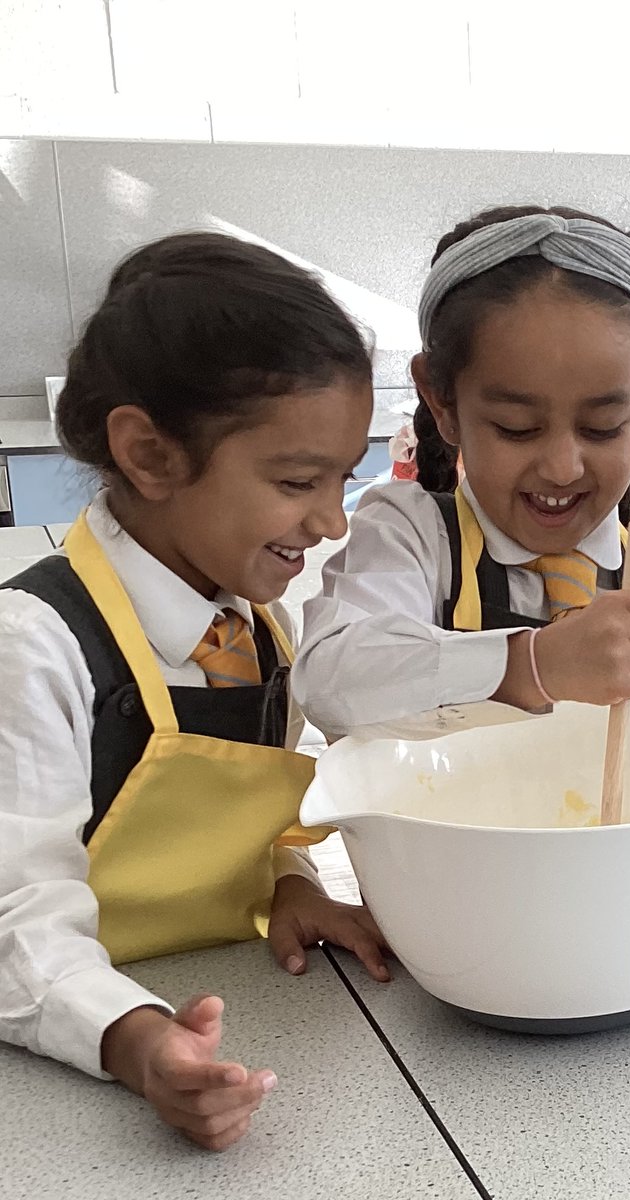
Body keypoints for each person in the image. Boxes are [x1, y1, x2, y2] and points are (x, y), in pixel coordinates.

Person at [0, 232, 387, 1150]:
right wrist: (135, 1043)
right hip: (60, 1062)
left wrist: (287, 882)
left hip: (232, 1005)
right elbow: (12, 919)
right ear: (150, 454)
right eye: (299, 481)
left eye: (344, 480)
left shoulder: (258, 628)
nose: (332, 523)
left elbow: (253, 815)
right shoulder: (37, 647)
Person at [294, 205, 630, 735]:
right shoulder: (412, 540)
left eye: (603, 427)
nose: (562, 468)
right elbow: (331, 682)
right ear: (442, 402)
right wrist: (532, 665)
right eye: (515, 426)